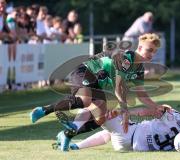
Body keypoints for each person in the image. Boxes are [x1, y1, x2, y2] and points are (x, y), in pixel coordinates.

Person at [30, 33, 163, 151]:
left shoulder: (139, 69)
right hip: (85, 71)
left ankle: (67, 134)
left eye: (154, 52)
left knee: (101, 118)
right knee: (85, 101)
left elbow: (142, 95)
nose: (152, 54)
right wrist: (125, 110)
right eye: (149, 50)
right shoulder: (127, 59)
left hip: (97, 83)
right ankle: (43, 110)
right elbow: (118, 86)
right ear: (139, 48)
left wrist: (158, 108)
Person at [56, 102, 180, 152]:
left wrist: (125, 112)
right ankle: (76, 146)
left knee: (97, 104)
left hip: (131, 133)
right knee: (109, 133)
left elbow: (146, 111)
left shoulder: (174, 114)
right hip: (131, 146)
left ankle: (72, 128)